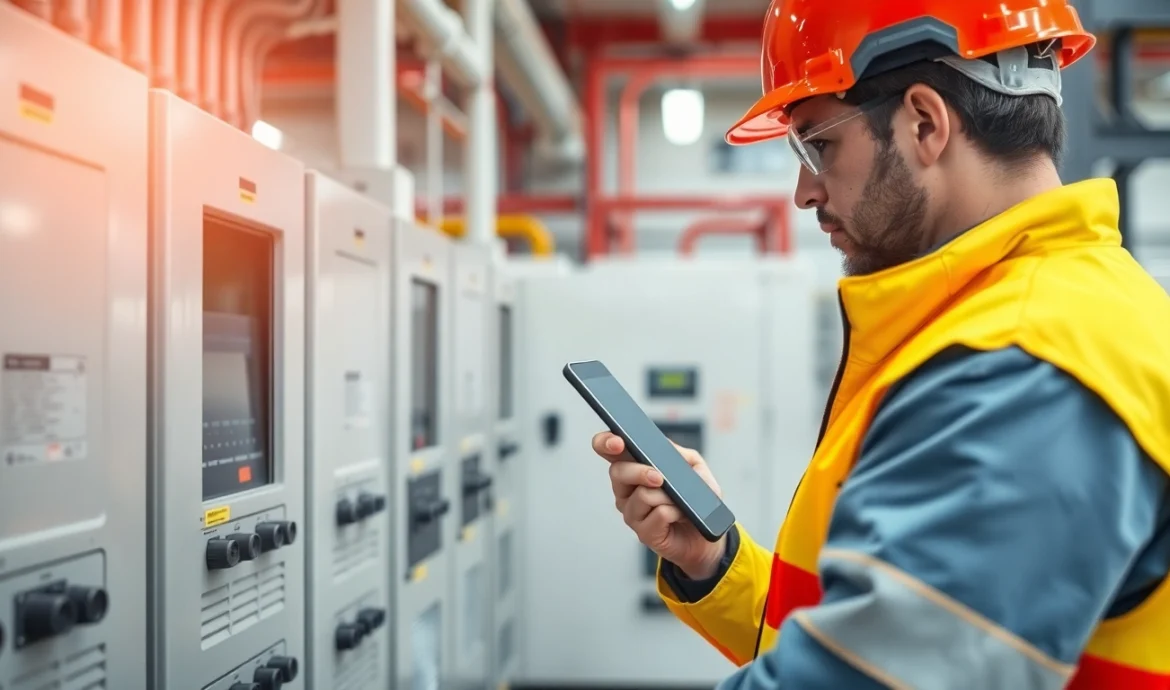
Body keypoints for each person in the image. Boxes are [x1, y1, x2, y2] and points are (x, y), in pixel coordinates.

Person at [593, 1, 1170, 688]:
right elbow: (860, 644)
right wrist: (714, 565)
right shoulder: (1020, 318)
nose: (805, 191)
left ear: (924, 123)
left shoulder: (1026, 363)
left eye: (817, 145)